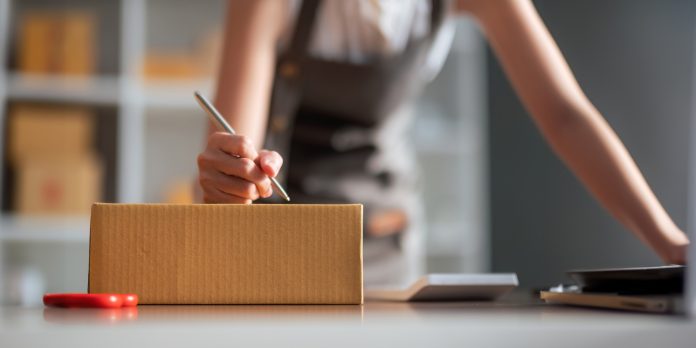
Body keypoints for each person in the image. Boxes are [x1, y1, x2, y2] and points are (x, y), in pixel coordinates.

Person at [197, 0, 690, 286]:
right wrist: (230, 176)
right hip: (276, 252)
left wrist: (669, 242)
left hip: (385, 242)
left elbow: (566, 116)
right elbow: (232, 139)